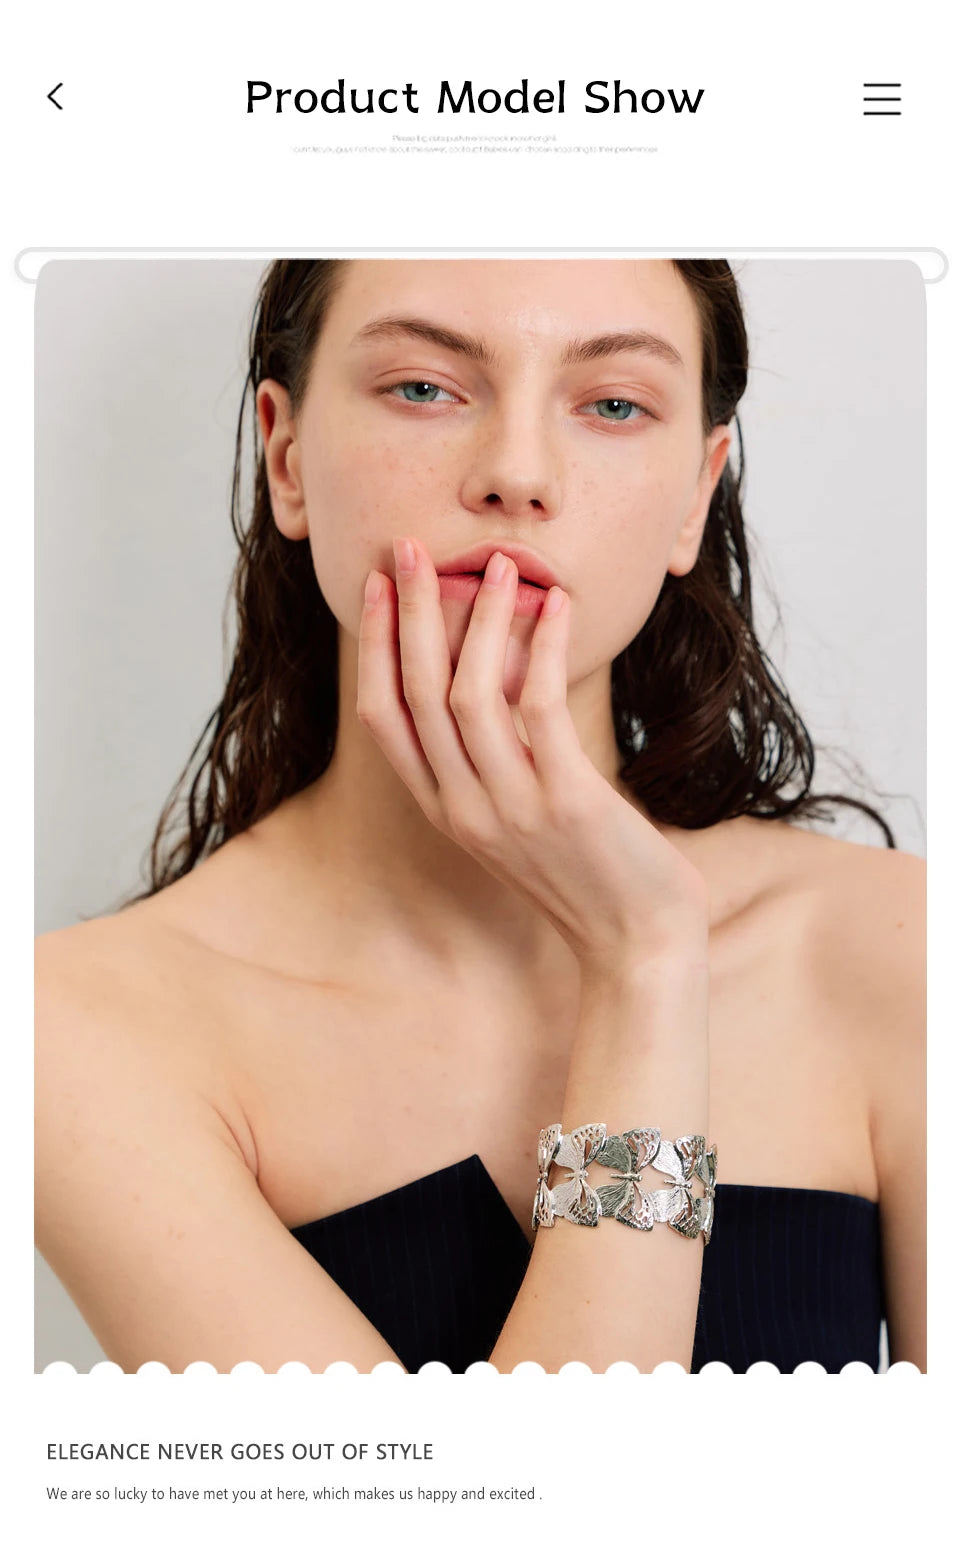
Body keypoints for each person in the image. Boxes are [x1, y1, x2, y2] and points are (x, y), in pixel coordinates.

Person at [34, 257, 925, 1373]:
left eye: (613, 405)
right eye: (424, 387)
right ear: (287, 456)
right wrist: (645, 962)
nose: (516, 474)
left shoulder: (900, 948)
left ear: (697, 494)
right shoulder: (77, 1029)